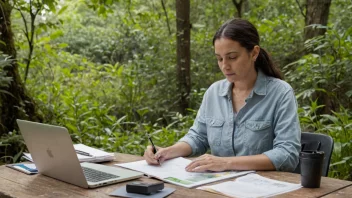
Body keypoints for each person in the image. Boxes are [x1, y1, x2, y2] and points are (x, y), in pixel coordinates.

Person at [144, 18, 301, 172]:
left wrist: (226, 163)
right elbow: (198, 137)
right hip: (217, 187)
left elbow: (287, 154)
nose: (225, 66)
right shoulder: (214, 93)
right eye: (219, 58)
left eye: (232, 57)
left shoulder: (280, 93)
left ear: (254, 53)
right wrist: (167, 152)